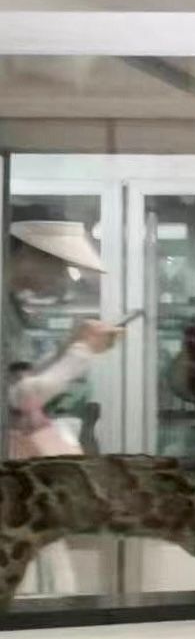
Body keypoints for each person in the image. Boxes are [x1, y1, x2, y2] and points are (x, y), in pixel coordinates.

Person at [6, 222, 125, 596]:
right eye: (59, 267)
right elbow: (20, 397)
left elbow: (20, 378)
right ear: (29, 255)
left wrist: (68, 347)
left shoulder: (11, 307)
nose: (62, 279)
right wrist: (81, 352)